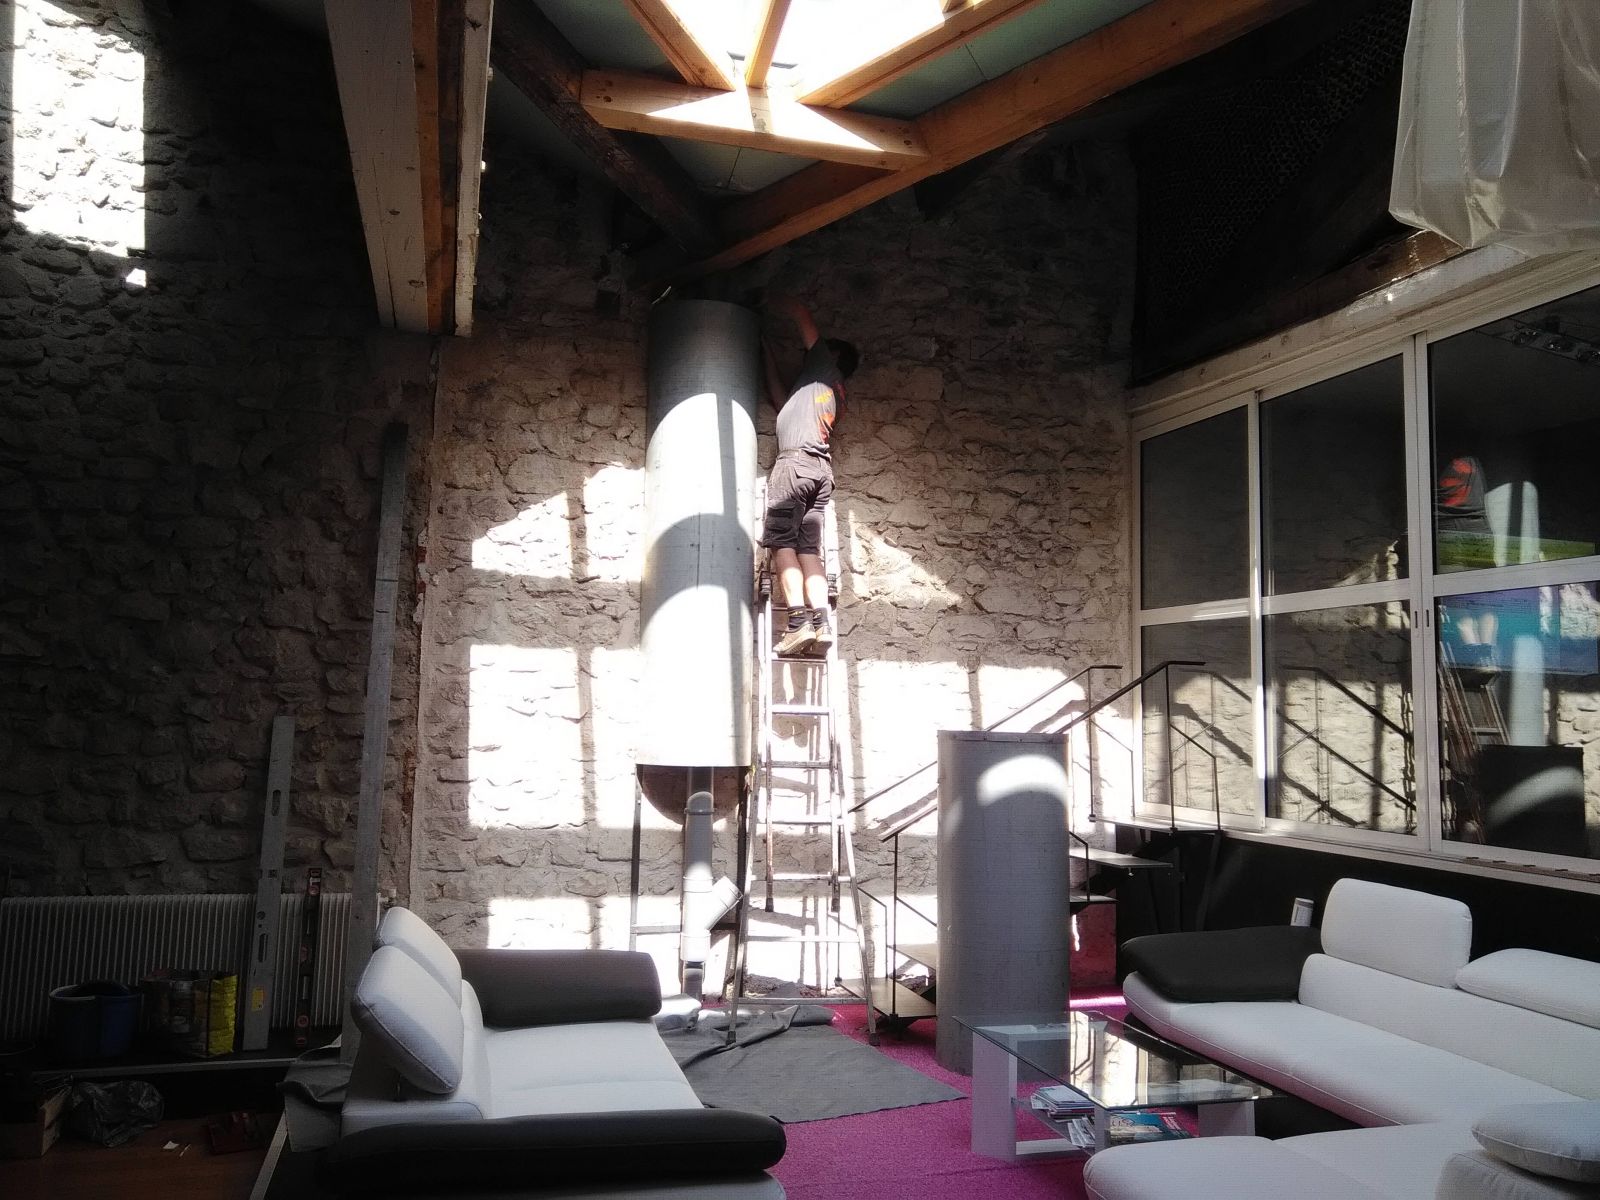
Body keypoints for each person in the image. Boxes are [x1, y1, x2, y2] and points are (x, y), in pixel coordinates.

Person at [760, 297, 859, 657]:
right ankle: (820, 623)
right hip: (819, 473)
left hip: (795, 465)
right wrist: (765, 351)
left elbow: (802, 314)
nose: (807, 354)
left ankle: (797, 623)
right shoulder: (822, 392)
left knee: (782, 545)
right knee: (807, 551)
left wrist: (780, 296)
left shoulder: (822, 369)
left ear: (831, 358)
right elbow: (779, 398)